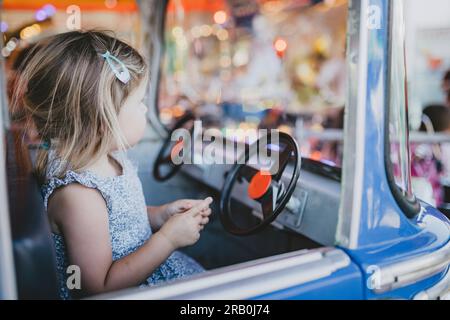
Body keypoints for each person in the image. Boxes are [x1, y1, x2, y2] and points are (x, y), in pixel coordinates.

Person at [11, 31, 212, 299]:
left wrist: (161, 215)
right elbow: (97, 287)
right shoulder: (80, 196)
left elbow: (120, 221)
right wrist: (167, 239)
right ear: (103, 123)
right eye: (140, 103)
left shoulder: (110, 160)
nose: (144, 111)